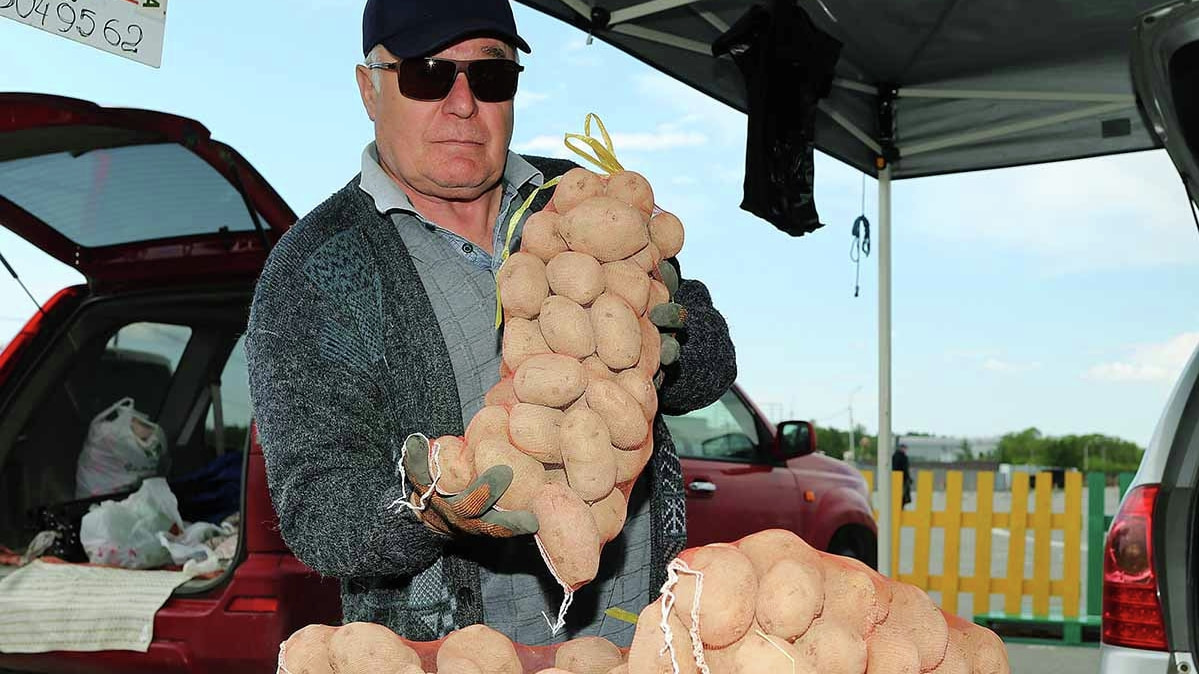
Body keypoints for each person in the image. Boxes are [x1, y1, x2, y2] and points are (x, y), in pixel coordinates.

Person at [244, 0, 736, 648]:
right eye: (427, 73)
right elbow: (317, 512)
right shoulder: (315, 269)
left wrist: (671, 346)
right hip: (462, 658)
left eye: (490, 75)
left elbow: (712, 368)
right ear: (369, 87)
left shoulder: (577, 199)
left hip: (639, 636)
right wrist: (427, 508)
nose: (462, 103)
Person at [892, 442, 912, 507]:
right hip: (902, 478)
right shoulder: (903, 457)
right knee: (903, 495)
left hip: (894, 477)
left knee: (895, 494)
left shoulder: (894, 456)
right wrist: (908, 478)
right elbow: (905, 469)